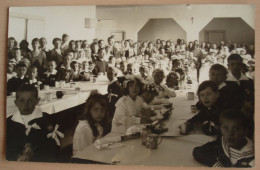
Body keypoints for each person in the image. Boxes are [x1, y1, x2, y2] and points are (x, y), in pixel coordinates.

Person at [6, 84, 61, 162]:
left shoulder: (47, 120)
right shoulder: (8, 123)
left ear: (37, 101)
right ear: (16, 102)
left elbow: (55, 147)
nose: (26, 104)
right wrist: (17, 157)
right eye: (22, 101)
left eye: (30, 100)